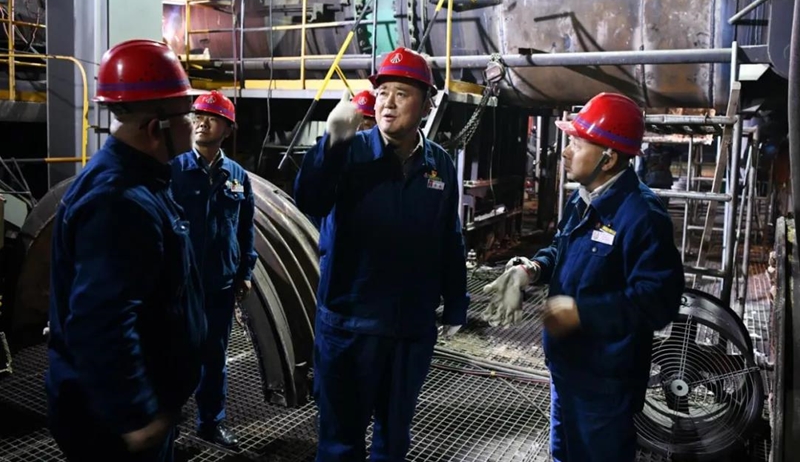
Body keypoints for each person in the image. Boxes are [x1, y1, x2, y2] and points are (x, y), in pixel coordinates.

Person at [483, 92, 685, 462]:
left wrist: (582, 313)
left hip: (606, 382)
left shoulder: (642, 216)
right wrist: (530, 270)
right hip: (566, 368)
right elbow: (560, 248)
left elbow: (657, 302)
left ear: (608, 158)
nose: (565, 151)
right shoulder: (584, 198)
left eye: (577, 143)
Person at [294, 46, 468, 462]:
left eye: (401, 94)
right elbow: (310, 199)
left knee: (394, 439)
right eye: (382, 92)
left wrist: (456, 304)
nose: (387, 103)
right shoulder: (349, 151)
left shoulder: (440, 165)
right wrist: (331, 144)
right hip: (349, 323)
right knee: (340, 442)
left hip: (410, 329)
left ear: (426, 105)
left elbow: (449, 237)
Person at [46, 39, 207, 461]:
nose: (194, 123)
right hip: (114, 426)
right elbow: (102, 321)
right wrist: (136, 416)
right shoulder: (119, 203)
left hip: (135, 406)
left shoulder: (142, 180)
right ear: (156, 129)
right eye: (187, 113)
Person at [171, 90, 257, 448]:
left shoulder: (236, 175)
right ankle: (168, 422)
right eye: (198, 116)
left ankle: (211, 423)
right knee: (173, 356)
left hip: (220, 284)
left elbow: (245, 228)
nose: (201, 122)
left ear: (228, 128)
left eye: (211, 117)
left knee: (215, 358)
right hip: (178, 286)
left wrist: (245, 272)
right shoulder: (174, 169)